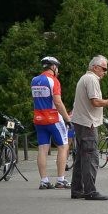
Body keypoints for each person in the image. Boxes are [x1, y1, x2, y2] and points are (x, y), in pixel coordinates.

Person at [70, 55, 108, 200]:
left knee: (81, 157)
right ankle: (90, 191)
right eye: (104, 68)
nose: (105, 72)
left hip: (81, 122)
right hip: (88, 123)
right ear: (95, 67)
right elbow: (95, 102)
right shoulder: (92, 79)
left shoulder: (85, 78)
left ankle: (77, 189)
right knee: (90, 156)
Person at [31, 56, 72, 189]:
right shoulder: (53, 80)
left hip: (38, 119)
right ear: (53, 67)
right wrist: (67, 119)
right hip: (53, 119)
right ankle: (61, 180)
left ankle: (44, 181)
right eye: (57, 67)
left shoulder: (34, 80)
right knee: (63, 147)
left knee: (42, 149)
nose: (57, 70)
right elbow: (58, 102)